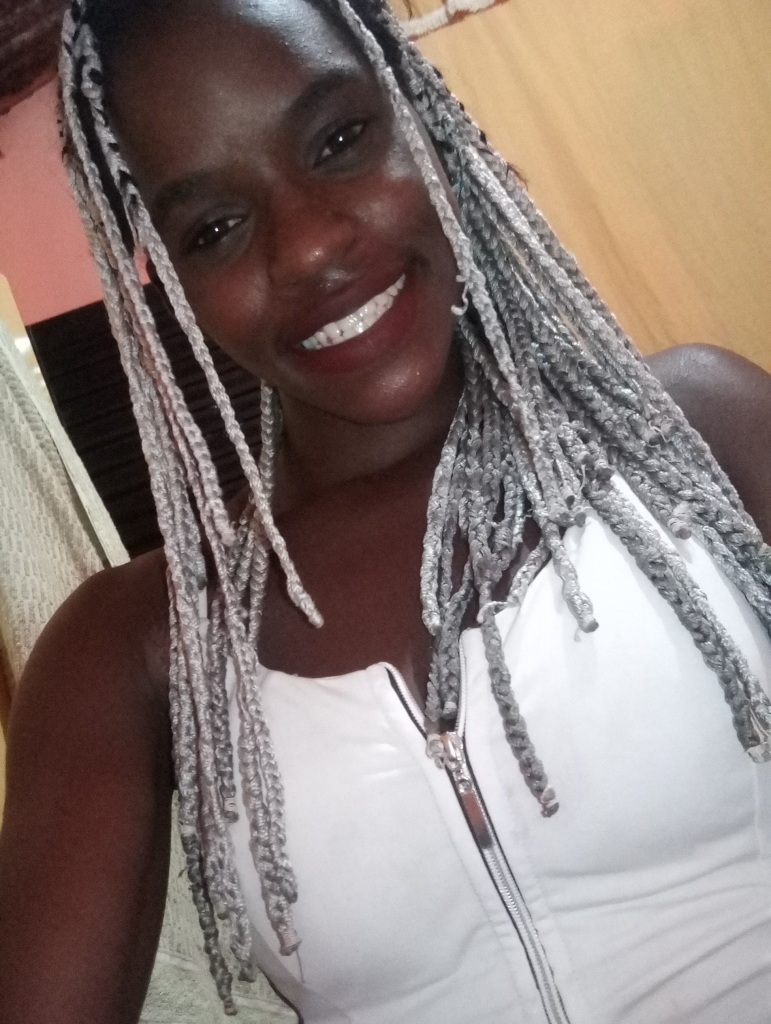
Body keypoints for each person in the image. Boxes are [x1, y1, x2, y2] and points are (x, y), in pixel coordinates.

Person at [1, 0, 770, 1021]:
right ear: (167, 281)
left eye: (339, 140)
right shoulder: (133, 651)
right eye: (216, 228)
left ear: (422, 114)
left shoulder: (696, 431)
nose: (311, 245)